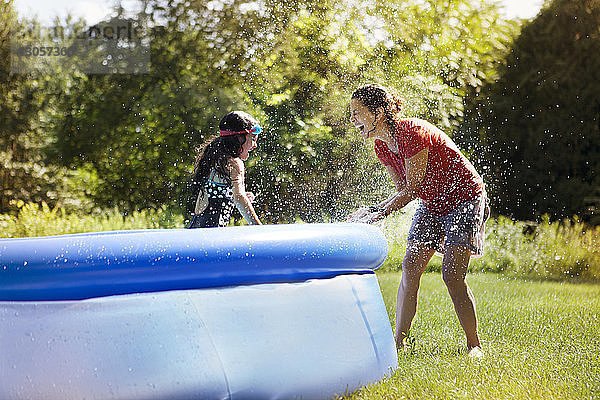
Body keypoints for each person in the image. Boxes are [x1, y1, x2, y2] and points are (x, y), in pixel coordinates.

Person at [347, 83, 489, 358]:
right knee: (410, 268)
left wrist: (376, 216)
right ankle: (398, 345)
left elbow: (413, 188)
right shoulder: (382, 147)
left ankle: (475, 346)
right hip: (432, 202)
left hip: (465, 198)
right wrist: (372, 210)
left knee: (451, 275)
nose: (352, 120)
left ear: (378, 112)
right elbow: (404, 190)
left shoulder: (412, 133)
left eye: (356, 112)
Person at [187, 111, 262, 228]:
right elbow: (239, 198)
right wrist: (259, 228)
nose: (255, 145)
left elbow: (214, 196)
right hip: (213, 235)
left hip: (195, 230)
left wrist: (235, 195)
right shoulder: (235, 163)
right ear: (239, 138)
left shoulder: (214, 158)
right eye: (253, 139)